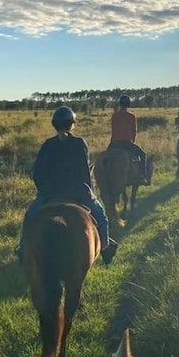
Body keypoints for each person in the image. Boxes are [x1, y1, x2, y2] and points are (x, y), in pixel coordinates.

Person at [17, 106, 118, 265]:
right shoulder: (79, 143)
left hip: (49, 194)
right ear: (71, 124)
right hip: (78, 193)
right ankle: (105, 248)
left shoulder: (47, 145)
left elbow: (37, 174)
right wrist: (89, 191)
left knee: (29, 216)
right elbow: (85, 171)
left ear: (54, 124)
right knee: (101, 216)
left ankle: (23, 250)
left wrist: (44, 191)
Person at [108, 95, 151, 185]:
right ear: (128, 105)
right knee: (143, 155)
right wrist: (132, 141)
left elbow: (113, 130)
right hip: (127, 144)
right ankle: (142, 176)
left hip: (115, 143)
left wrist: (112, 143)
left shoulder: (114, 116)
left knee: (105, 157)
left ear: (120, 104)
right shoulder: (132, 116)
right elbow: (134, 131)